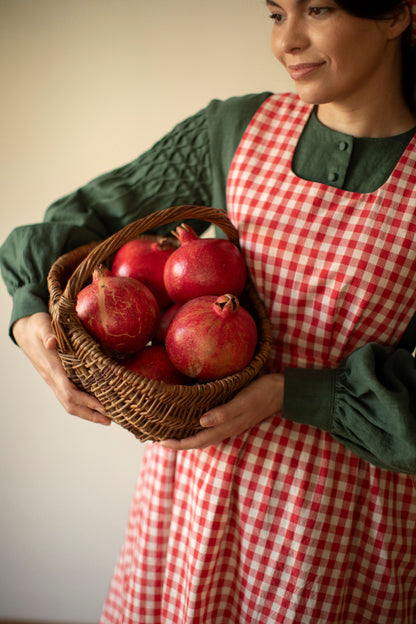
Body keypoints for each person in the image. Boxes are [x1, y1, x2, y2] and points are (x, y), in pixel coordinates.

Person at [1, 0, 416, 621]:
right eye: (276, 14)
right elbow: (77, 220)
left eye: (319, 9)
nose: (288, 42)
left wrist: (293, 394)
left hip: (336, 519)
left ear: (397, 16)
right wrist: (31, 309)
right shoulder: (234, 132)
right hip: (194, 497)